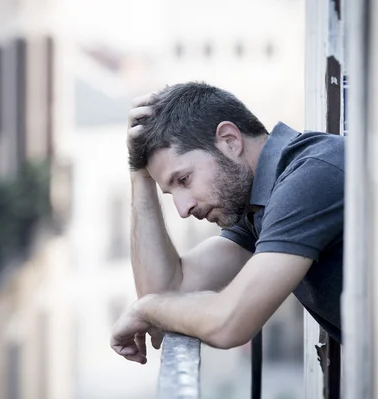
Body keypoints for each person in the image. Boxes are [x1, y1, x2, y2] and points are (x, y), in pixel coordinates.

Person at [110, 82, 344, 364]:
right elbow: (165, 291)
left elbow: (229, 324)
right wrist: (139, 175)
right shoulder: (257, 206)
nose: (183, 209)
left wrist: (145, 309)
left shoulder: (309, 177)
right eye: (171, 192)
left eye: (184, 180)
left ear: (230, 140)